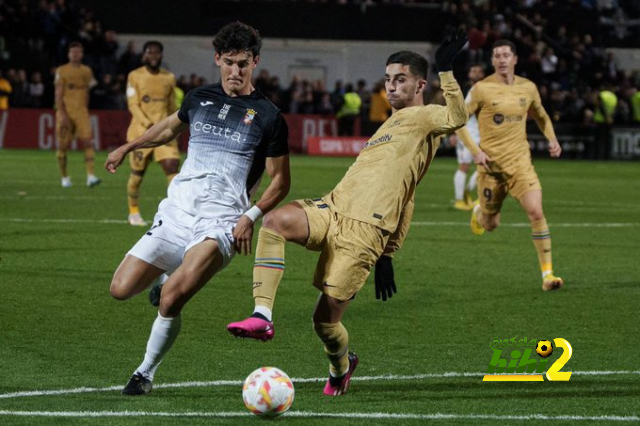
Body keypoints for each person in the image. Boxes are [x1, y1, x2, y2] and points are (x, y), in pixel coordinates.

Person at [227, 30, 468, 396]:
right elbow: (407, 194)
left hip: (365, 232)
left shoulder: (425, 118)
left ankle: (341, 366)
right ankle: (262, 316)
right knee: (274, 222)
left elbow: (457, 116)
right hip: (333, 208)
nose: (390, 87)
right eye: (387, 79)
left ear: (420, 84)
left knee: (324, 323)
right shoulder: (391, 123)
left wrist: (446, 69)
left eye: (399, 80)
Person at [104, 21, 290, 396]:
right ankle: (168, 272)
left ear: (255, 62)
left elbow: (281, 181)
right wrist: (129, 147)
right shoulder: (198, 98)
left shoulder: (269, 117)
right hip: (175, 213)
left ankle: (145, 372)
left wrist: (249, 217)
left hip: (221, 223)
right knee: (120, 289)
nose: (235, 72)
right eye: (229, 62)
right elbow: (168, 129)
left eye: (244, 64)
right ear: (217, 58)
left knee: (172, 298)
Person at [455, 39, 564, 292]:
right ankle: (479, 212)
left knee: (536, 211)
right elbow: (458, 121)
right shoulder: (481, 89)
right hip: (491, 167)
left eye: (506, 55)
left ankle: (548, 275)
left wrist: (552, 138)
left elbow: (541, 115)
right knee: (490, 224)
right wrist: (476, 151)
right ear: (493, 61)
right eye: (497, 55)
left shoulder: (528, 88)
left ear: (515, 59)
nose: (502, 59)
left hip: (520, 164)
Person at [125, 41, 180, 226]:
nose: (154, 56)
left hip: (164, 133)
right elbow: (133, 104)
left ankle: (175, 213)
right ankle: (133, 211)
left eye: (157, 53)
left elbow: (172, 106)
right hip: (141, 134)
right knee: (137, 176)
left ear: (161, 55)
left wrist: (177, 127)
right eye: (150, 53)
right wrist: (147, 124)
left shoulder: (169, 77)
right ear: (144, 55)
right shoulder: (135, 76)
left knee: (172, 167)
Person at [55, 42, 101, 188]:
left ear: (82, 54)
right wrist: (61, 113)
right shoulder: (62, 70)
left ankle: (91, 176)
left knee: (88, 142)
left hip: (81, 112)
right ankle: (64, 177)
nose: (75, 54)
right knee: (63, 146)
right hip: (66, 113)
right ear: (68, 54)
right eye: (73, 51)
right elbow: (58, 94)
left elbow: (87, 91)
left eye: (78, 52)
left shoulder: (87, 71)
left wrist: (85, 109)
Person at [451, 63, 485, 211]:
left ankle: (466, 194)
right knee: (466, 166)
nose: (475, 73)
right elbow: (462, 113)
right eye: (472, 70)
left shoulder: (480, 89)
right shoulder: (471, 90)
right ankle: (461, 199)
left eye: (478, 71)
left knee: (485, 165)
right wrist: (455, 132)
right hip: (469, 133)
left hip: (479, 133)